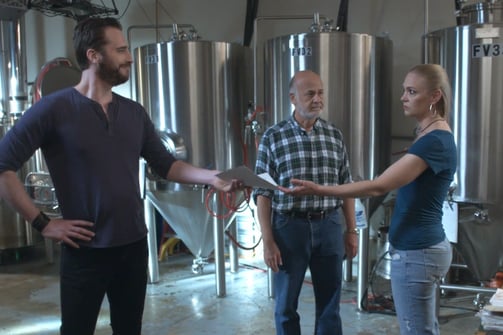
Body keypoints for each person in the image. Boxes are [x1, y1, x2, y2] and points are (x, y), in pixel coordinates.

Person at [0, 17, 241, 335]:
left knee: (129, 329)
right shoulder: (53, 110)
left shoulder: (133, 112)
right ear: (93, 55)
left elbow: (166, 164)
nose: (129, 57)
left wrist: (212, 177)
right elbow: (3, 166)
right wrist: (43, 223)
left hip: (133, 246)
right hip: (84, 250)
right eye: (121, 50)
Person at [281, 64, 457, 335]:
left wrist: (319, 190)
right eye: (403, 90)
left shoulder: (433, 140)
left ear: (434, 97)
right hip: (420, 249)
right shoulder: (428, 135)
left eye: (412, 91)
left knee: (416, 330)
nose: (403, 97)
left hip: (417, 252)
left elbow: (378, 187)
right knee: (422, 328)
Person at [254, 70, 358, 335]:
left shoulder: (334, 135)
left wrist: (351, 229)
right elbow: (263, 193)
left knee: (330, 304)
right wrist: (268, 240)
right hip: (290, 228)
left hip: (330, 225)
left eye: (320, 92)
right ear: (293, 98)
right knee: (286, 304)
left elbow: (346, 186)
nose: (317, 99)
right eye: (310, 93)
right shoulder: (273, 137)